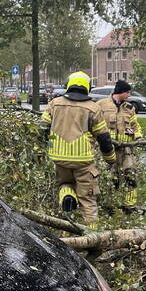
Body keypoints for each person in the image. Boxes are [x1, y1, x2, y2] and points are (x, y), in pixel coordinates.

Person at [40, 71, 116, 223]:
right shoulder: (93, 108)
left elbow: (42, 129)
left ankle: (67, 196)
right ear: (87, 87)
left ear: (68, 85)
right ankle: (92, 238)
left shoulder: (54, 104)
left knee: (64, 184)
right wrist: (110, 158)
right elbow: (104, 138)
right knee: (87, 199)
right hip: (83, 161)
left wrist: (40, 152)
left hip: (59, 157)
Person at [96, 79, 142, 207]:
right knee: (110, 177)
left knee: (130, 174)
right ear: (120, 92)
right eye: (127, 92)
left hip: (126, 149)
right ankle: (109, 204)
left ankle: (130, 205)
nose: (129, 95)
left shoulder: (129, 108)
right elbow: (93, 124)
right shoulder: (101, 105)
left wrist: (138, 137)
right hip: (107, 148)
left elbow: (135, 125)